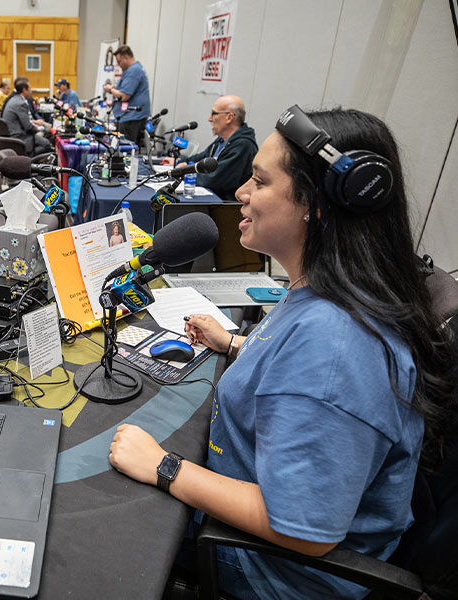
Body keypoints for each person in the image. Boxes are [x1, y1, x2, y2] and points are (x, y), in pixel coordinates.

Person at [109, 107, 457, 599]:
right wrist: (233, 344)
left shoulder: (337, 345)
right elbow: (306, 380)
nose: (240, 194)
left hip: (271, 571)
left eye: (259, 180)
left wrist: (165, 467)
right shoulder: (325, 296)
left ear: (315, 204)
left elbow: (302, 530)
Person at [175, 95, 258, 201]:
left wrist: (183, 173)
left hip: (225, 207)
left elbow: (213, 179)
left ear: (229, 117)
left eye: (214, 114)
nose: (209, 119)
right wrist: (180, 162)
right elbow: (201, 159)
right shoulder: (222, 140)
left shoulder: (243, 145)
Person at [103, 45, 150, 148]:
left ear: (126, 57)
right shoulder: (134, 69)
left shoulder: (133, 71)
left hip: (131, 118)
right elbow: (125, 88)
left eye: (119, 62)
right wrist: (115, 88)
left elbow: (124, 96)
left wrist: (110, 90)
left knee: (126, 149)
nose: (119, 65)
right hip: (130, 117)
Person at [2, 78, 51, 157]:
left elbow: (24, 121)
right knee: (47, 144)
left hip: (13, 135)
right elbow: (28, 127)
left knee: (44, 136)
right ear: (24, 90)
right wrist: (41, 128)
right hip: (20, 138)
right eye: (30, 89)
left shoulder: (15, 99)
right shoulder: (21, 103)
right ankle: (29, 160)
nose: (31, 91)